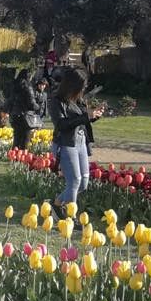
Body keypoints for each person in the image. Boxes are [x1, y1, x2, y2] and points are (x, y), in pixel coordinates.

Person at [48, 68, 105, 218]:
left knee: (83, 182)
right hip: (66, 143)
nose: (84, 89)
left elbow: (82, 120)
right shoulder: (56, 101)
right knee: (74, 181)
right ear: (72, 85)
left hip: (81, 143)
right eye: (82, 86)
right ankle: (70, 217)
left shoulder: (78, 99)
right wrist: (86, 116)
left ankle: (56, 204)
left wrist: (93, 116)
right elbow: (61, 125)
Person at [9, 70, 48, 150]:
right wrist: (38, 107)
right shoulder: (28, 88)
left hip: (15, 115)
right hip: (25, 117)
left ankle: (14, 157)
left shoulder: (15, 87)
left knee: (16, 139)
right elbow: (32, 104)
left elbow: (10, 100)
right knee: (25, 140)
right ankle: (22, 158)